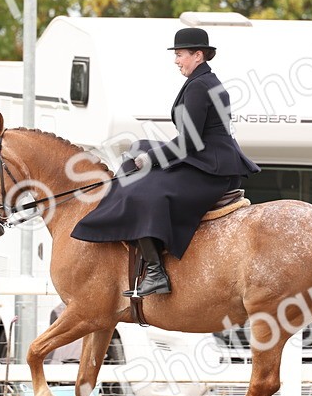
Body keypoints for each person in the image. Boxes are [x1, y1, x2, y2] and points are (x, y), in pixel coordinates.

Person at [71, 27, 260, 297]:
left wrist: (152, 159)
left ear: (198, 55)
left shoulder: (199, 86)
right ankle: (115, 221)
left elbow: (189, 141)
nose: (176, 60)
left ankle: (156, 272)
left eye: (180, 55)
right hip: (206, 155)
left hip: (211, 168)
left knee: (144, 193)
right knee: (136, 148)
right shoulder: (203, 81)